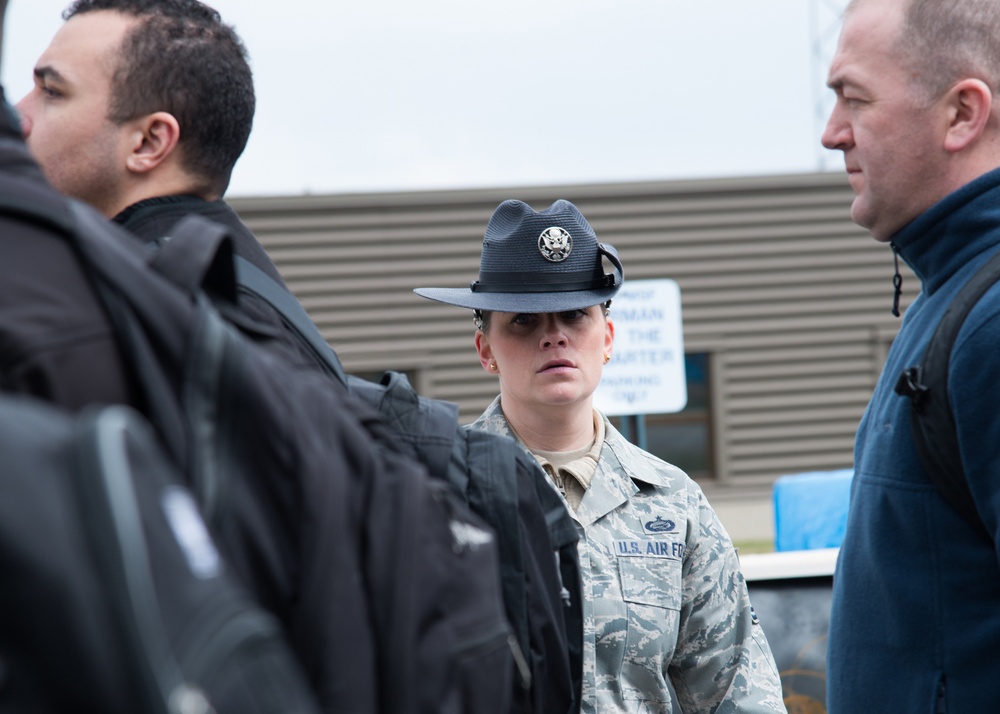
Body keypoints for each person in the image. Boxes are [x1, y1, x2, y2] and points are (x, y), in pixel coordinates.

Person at [415, 198, 786, 713]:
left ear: (607, 338)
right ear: (485, 350)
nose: (554, 336)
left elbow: (737, 691)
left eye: (574, 315)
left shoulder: (672, 502)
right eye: (523, 321)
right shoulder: (436, 492)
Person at [820, 0, 1000, 710]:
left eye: (854, 98)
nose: (832, 133)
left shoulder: (989, 321)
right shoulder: (952, 297)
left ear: (962, 114)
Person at [15, 0, 328, 377]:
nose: (18, 114)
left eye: (52, 91)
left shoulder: (146, 322)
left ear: (149, 143)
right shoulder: (238, 295)